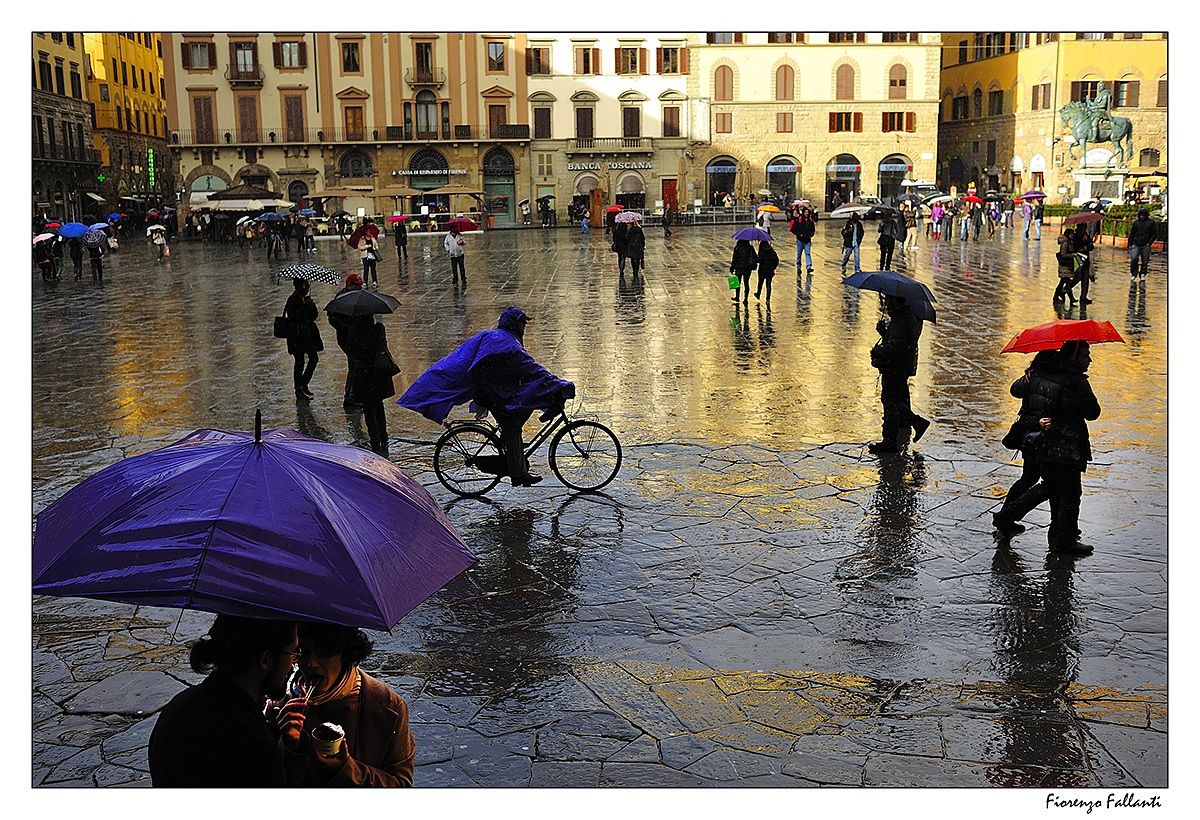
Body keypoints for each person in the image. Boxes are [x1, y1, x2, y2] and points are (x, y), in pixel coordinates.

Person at [398, 306, 576, 487]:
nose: (524, 327)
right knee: (512, 427)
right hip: (491, 394)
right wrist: (557, 383)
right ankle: (518, 473)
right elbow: (531, 368)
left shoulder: (497, 336)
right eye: (522, 323)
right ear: (514, 323)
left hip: (490, 390)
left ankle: (511, 450)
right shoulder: (507, 344)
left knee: (525, 404)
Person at [148, 615, 299, 787]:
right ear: (266, 660)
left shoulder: (180, 704)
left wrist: (270, 727)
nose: (294, 664)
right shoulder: (251, 744)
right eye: (292, 653)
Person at [274, 623, 416, 787]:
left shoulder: (388, 707)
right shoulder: (283, 704)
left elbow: (401, 785)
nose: (311, 663)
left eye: (324, 652)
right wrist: (289, 747)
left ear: (346, 652)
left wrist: (346, 768)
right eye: (303, 652)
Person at [1031, 340, 1102, 555]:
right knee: (1071, 493)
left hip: (1046, 444)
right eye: (1085, 356)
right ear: (1074, 358)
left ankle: (1057, 533)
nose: (1089, 360)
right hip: (1068, 446)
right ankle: (1065, 540)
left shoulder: (1046, 372)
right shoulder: (1077, 382)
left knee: (1054, 491)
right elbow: (1093, 412)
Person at [993, 349, 1061, 536]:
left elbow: (1015, 390)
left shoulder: (1031, 379)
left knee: (1028, 478)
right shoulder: (1047, 382)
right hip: (1038, 440)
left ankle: (1005, 516)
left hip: (1030, 439)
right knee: (1040, 481)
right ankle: (1006, 516)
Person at [868, 295, 930, 454]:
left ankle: (891, 440)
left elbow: (896, 347)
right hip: (898, 367)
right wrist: (884, 332)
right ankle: (915, 423)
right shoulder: (902, 318)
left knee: (890, 402)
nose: (886, 304)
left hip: (895, 367)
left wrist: (878, 351)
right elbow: (896, 341)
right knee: (893, 400)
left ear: (897, 301)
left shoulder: (901, 321)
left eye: (888, 300)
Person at [345, 312, 396, 455]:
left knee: (368, 409)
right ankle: (383, 437)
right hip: (377, 373)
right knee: (379, 407)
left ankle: (374, 440)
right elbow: (382, 346)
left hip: (363, 375)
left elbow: (350, 351)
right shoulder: (378, 329)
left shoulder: (354, 333)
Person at [328, 274, 365, 412]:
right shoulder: (341, 298)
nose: (360, 288)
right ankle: (350, 398)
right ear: (349, 285)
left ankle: (354, 396)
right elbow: (332, 319)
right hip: (347, 339)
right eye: (357, 285)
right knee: (354, 367)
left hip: (356, 337)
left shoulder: (357, 296)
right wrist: (348, 327)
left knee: (355, 366)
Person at [284, 278, 323, 402]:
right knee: (299, 362)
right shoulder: (292, 300)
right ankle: (298, 389)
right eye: (303, 286)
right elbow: (295, 317)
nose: (305, 289)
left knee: (314, 358)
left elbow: (314, 316)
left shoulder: (306, 300)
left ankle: (304, 382)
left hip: (308, 335)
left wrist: (310, 303)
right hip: (297, 336)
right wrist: (305, 306)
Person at [1128, 207, 1155, 279]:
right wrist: (1130, 244)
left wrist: (1149, 243)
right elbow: (1132, 233)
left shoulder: (1151, 223)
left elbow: (1154, 234)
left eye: (1143, 215)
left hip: (1146, 245)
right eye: (1141, 215)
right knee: (1134, 259)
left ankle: (1143, 273)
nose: (1142, 216)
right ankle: (1134, 273)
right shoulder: (1136, 223)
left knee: (1145, 261)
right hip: (1136, 244)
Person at [729, 238, 757, 304]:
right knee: (746, 283)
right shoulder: (750, 248)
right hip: (747, 268)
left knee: (737, 283)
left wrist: (732, 267)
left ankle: (737, 297)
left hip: (739, 268)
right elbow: (755, 257)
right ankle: (745, 299)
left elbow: (734, 258)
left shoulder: (737, 247)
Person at [790, 207, 816, 273]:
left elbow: (813, 229)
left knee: (808, 253)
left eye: (807, 212)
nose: (806, 214)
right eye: (805, 212)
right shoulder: (799, 220)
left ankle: (809, 266)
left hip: (807, 240)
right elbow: (793, 229)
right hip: (800, 240)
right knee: (799, 254)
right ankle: (798, 267)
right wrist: (799, 234)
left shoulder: (810, 220)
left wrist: (811, 235)